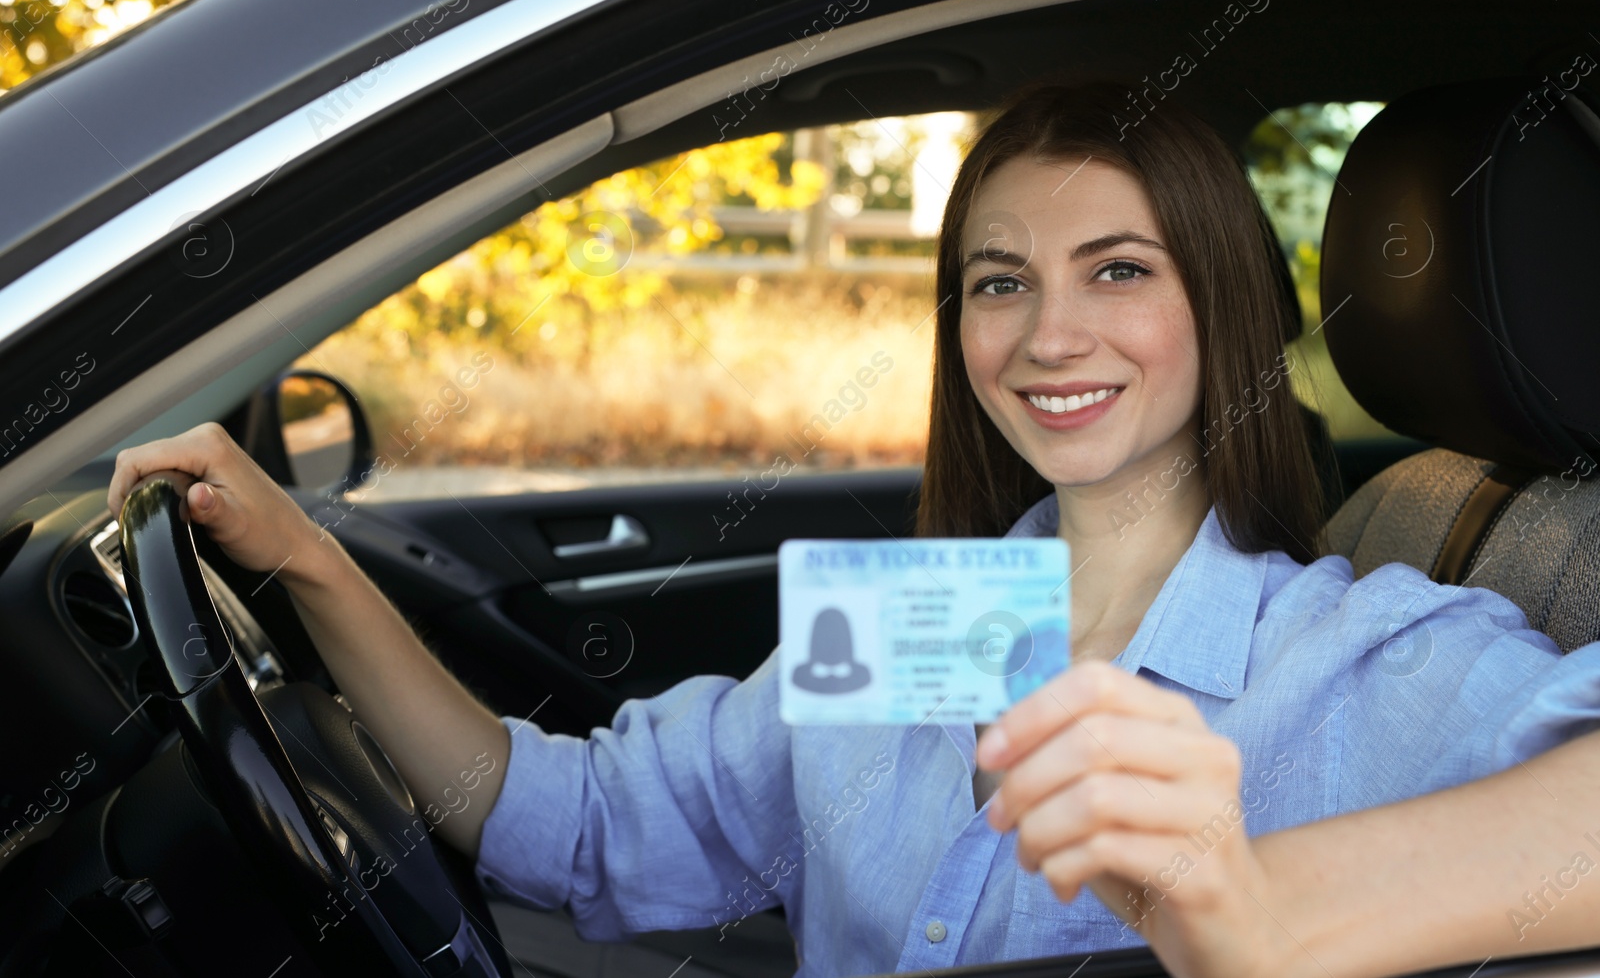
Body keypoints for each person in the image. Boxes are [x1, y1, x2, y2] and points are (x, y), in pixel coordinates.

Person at [107, 81, 1600, 978]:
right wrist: (310, 568)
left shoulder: (1359, 648)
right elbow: (573, 825)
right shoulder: (923, 618)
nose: (1047, 334)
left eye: (1119, 270)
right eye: (999, 281)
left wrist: (1262, 905)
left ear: (1222, 306)